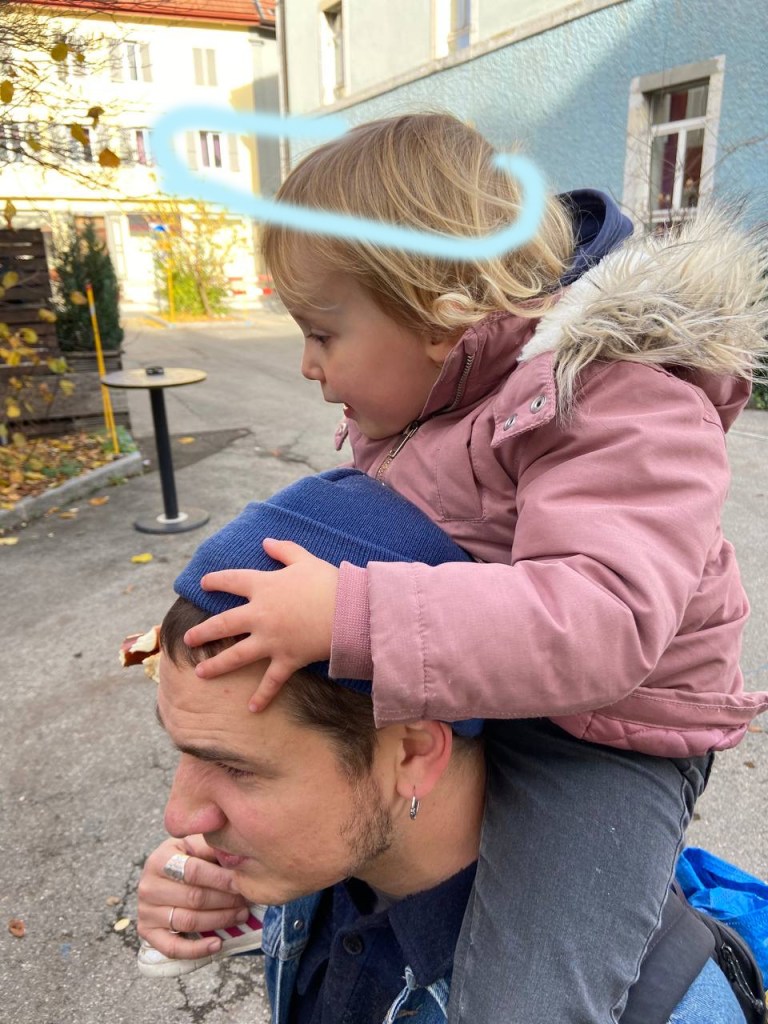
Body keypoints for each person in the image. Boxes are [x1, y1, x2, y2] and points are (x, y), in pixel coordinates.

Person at [175, 113, 768, 1023]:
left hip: (607, 733)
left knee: (525, 994)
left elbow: (601, 624)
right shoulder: (431, 402)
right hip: (492, 681)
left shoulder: (616, 394)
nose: (306, 366)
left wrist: (350, 615)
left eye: (323, 333)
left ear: (437, 313)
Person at [137, 470, 757, 1024]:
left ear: (413, 755)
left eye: (234, 768)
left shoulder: (661, 1010)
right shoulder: (324, 858)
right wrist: (208, 897)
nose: (180, 818)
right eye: (186, 753)